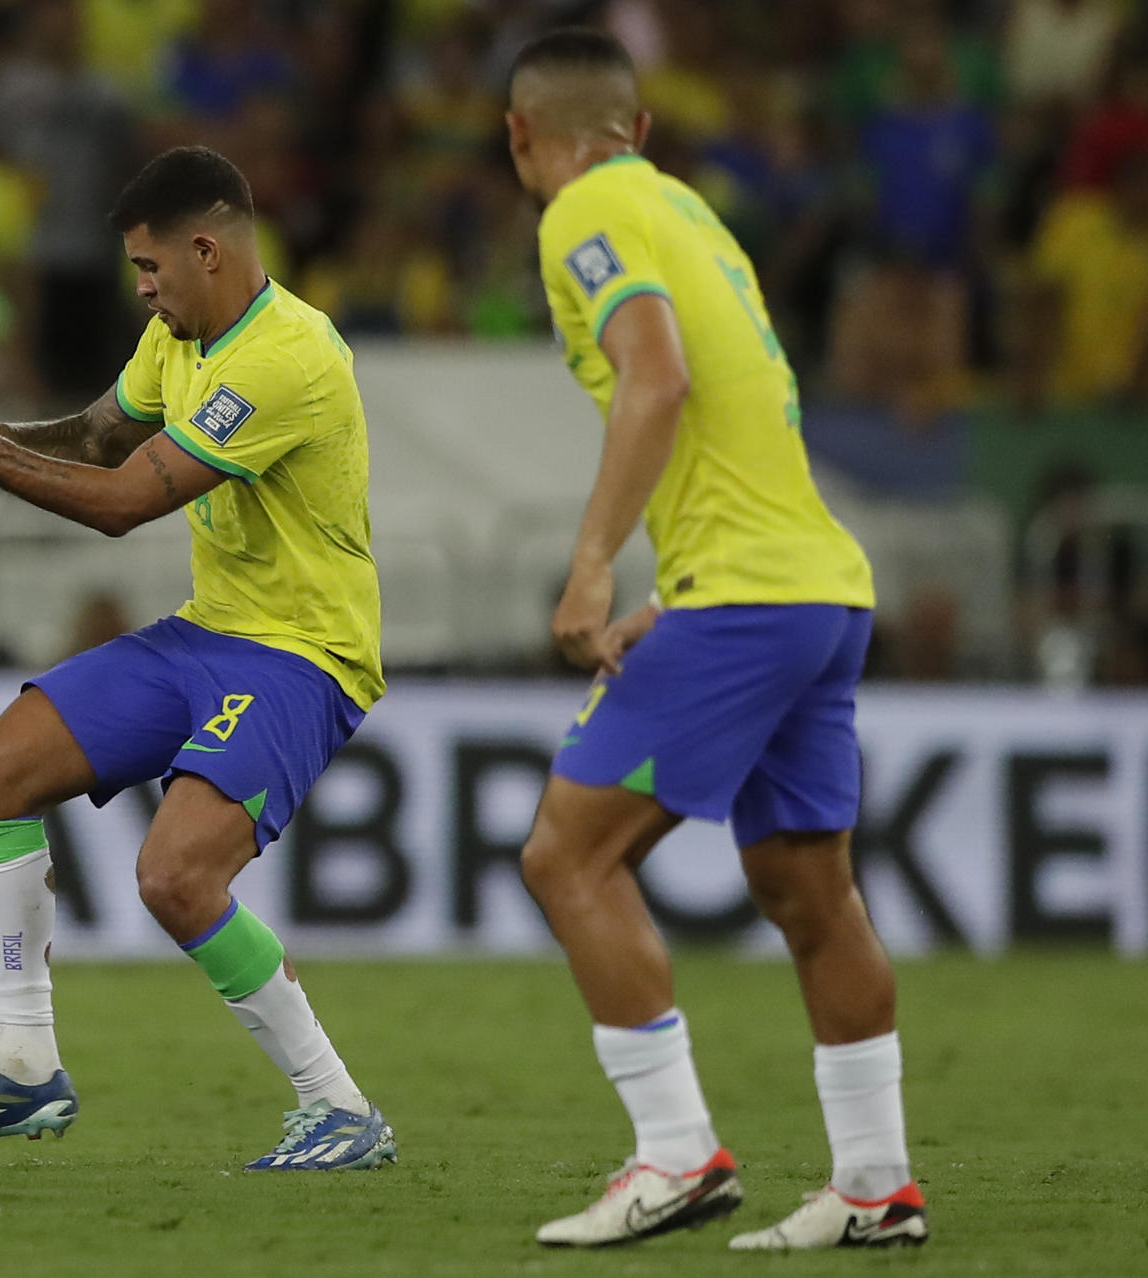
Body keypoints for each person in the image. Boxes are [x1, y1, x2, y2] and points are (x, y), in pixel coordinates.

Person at [0, 146, 395, 1172]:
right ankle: (24, 1067)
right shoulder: (178, 338)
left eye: (150, 270)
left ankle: (340, 1107)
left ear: (206, 249)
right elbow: (98, 439)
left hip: (301, 653)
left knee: (176, 876)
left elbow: (126, 504)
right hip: (208, 631)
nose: (140, 291)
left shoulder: (287, 357)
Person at [503, 30, 927, 1249]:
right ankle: (875, 1186)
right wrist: (676, 591)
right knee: (808, 888)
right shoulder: (690, 214)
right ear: (640, 128)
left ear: (524, 137)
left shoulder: (580, 212)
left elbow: (659, 378)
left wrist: (591, 569)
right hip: (817, 589)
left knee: (564, 857)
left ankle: (676, 1156)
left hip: (749, 595)